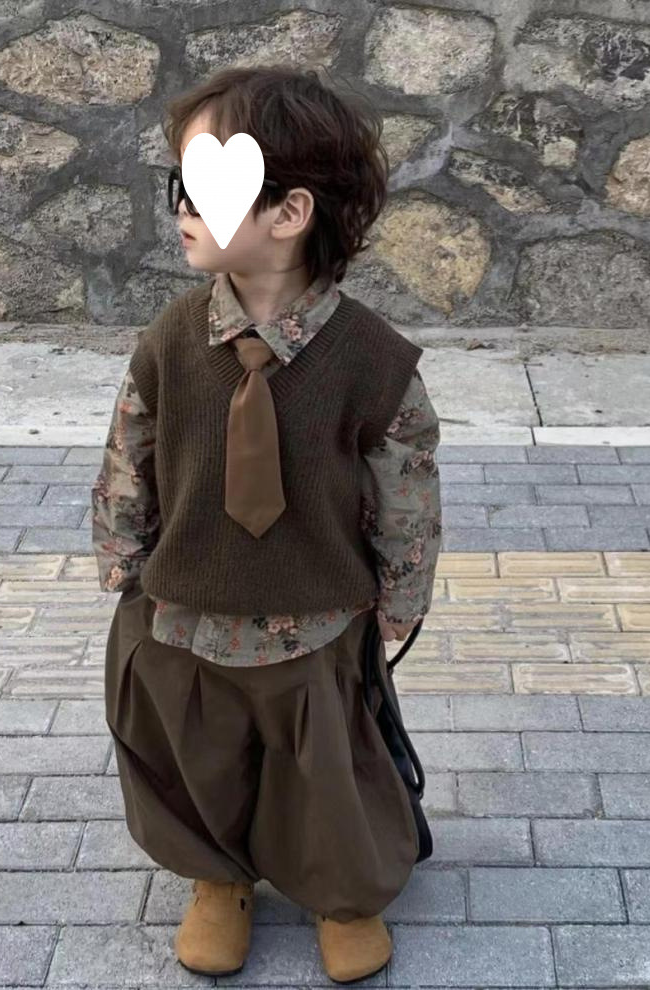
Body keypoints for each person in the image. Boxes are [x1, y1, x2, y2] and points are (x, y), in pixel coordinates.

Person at [91, 63, 442, 984]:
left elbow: (404, 484)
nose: (180, 207)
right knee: (191, 754)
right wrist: (122, 552)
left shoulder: (373, 361)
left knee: (327, 770)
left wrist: (403, 592)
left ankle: (343, 890)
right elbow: (133, 446)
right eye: (178, 183)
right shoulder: (170, 339)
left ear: (288, 213)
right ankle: (218, 877)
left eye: (202, 187)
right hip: (181, 609)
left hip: (314, 616)